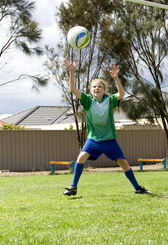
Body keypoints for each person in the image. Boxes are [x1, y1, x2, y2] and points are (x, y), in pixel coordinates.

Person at [62, 59, 149, 196]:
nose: (96, 88)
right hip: (93, 140)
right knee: (81, 157)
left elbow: (121, 94)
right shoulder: (87, 100)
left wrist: (116, 78)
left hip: (109, 140)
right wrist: (71, 72)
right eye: (94, 87)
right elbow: (72, 89)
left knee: (124, 163)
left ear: (104, 90)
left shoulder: (110, 101)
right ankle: (73, 186)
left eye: (99, 87)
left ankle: (137, 187)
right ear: (91, 90)